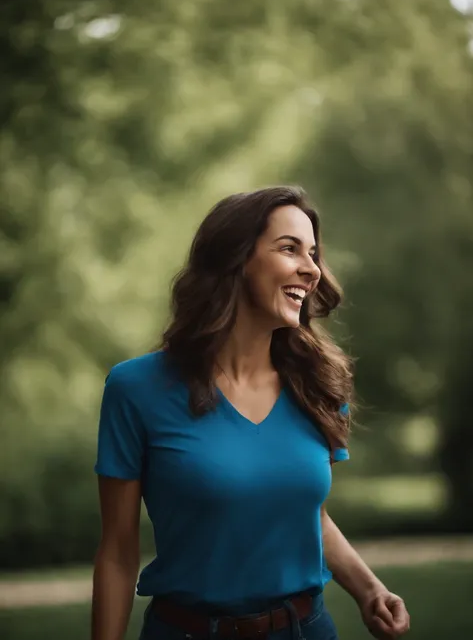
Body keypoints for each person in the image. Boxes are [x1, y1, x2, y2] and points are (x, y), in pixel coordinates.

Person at [91, 186, 410, 640]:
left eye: (314, 253)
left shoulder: (316, 383)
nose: (312, 269)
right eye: (289, 249)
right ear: (236, 261)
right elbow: (118, 552)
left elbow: (305, 512)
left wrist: (369, 590)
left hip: (307, 629)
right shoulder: (136, 389)